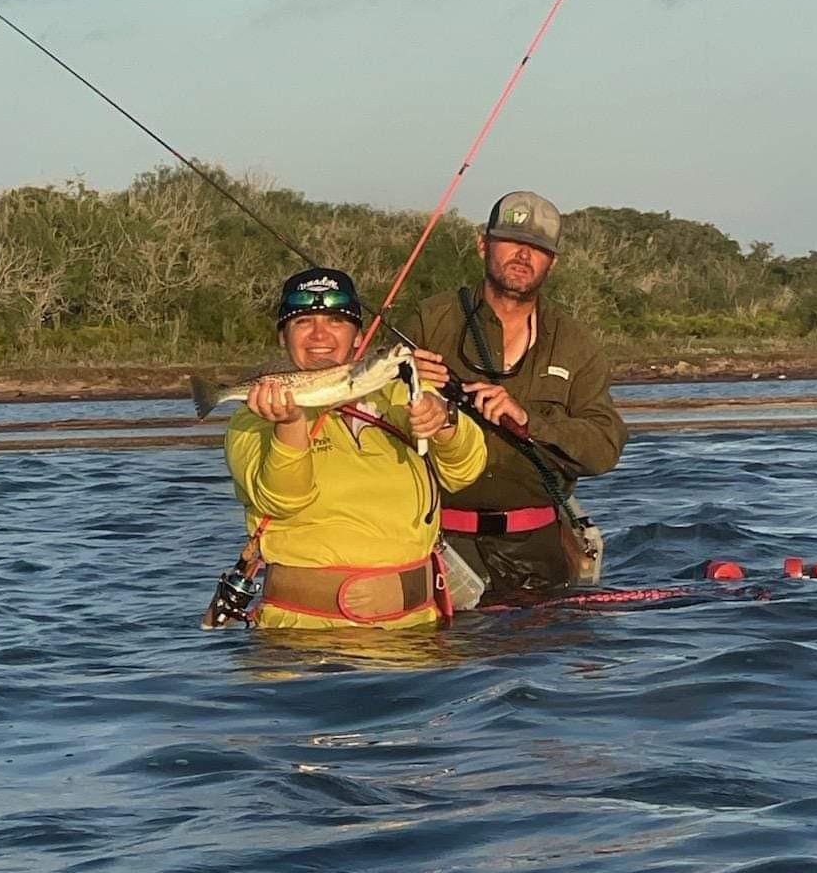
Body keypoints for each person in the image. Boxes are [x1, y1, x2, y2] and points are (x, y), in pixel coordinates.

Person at [223, 267, 487, 630]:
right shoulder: (254, 417)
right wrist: (289, 424)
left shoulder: (402, 394)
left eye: (335, 321)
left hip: (417, 634)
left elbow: (465, 472)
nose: (320, 334)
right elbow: (281, 500)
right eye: (303, 322)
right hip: (302, 638)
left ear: (359, 337)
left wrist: (444, 422)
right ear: (284, 337)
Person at [405, 192, 628, 598]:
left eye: (538, 248)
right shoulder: (430, 320)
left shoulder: (576, 343)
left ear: (552, 261)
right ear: (483, 244)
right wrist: (403, 383)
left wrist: (531, 422)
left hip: (538, 548)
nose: (523, 255)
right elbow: (368, 413)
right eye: (511, 240)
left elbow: (605, 447)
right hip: (437, 542)